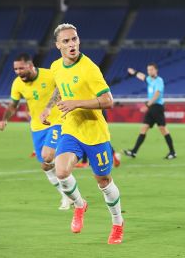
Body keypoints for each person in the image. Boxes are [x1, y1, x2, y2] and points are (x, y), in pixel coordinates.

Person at [40, 23, 124, 244]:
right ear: (58, 45)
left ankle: (117, 223)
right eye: (66, 41)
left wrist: (77, 103)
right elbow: (60, 88)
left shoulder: (90, 68)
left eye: (74, 39)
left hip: (95, 134)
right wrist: (49, 107)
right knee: (61, 171)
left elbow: (108, 101)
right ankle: (79, 205)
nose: (72, 44)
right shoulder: (56, 67)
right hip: (71, 131)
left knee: (104, 181)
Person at [0, 53, 72, 210]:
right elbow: (13, 105)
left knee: (48, 155)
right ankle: (65, 194)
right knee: (45, 165)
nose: (18, 72)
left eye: (21, 68)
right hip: (37, 128)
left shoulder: (48, 74)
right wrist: (5, 118)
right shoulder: (17, 83)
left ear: (30, 66)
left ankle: (70, 192)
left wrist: (49, 107)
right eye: (15, 69)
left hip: (56, 122)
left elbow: (60, 89)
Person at [124, 64, 176, 159]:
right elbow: (142, 76)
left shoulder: (159, 81)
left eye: (151, 69)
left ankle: (172, 152)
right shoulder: (149, 80)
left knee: (163, 129)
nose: (149, 71)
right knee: (144, 128)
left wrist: (147, 105)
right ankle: (134, 152)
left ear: (156, 70)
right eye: (148, 70)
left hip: (157, 107)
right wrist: (134, 72)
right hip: (151, 108)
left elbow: (157, 94)